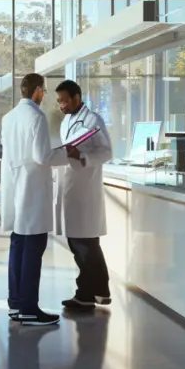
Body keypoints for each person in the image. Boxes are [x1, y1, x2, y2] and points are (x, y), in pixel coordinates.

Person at [1, 73, 60, 326]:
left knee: (18, 245)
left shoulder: (9, 117)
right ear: (36, 90)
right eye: (43, 91)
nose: (44, 95)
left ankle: (15, 304)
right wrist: (66, 153)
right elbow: (41, 156)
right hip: (33, 188)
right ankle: (29, 309)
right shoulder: (37, 117)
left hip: (16, 187)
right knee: (33, 248)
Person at [51, 80, 113, 311]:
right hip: (72, 186)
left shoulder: (93, 120)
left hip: (85, 188)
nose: (61, 105)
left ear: (77, 97)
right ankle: (101, 290)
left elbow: (106, 152)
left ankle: (85, 295)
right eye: (59, 101)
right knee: (84, 243)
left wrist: (82, 157)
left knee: (84, 244)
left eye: (65, 100)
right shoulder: (67, 120)